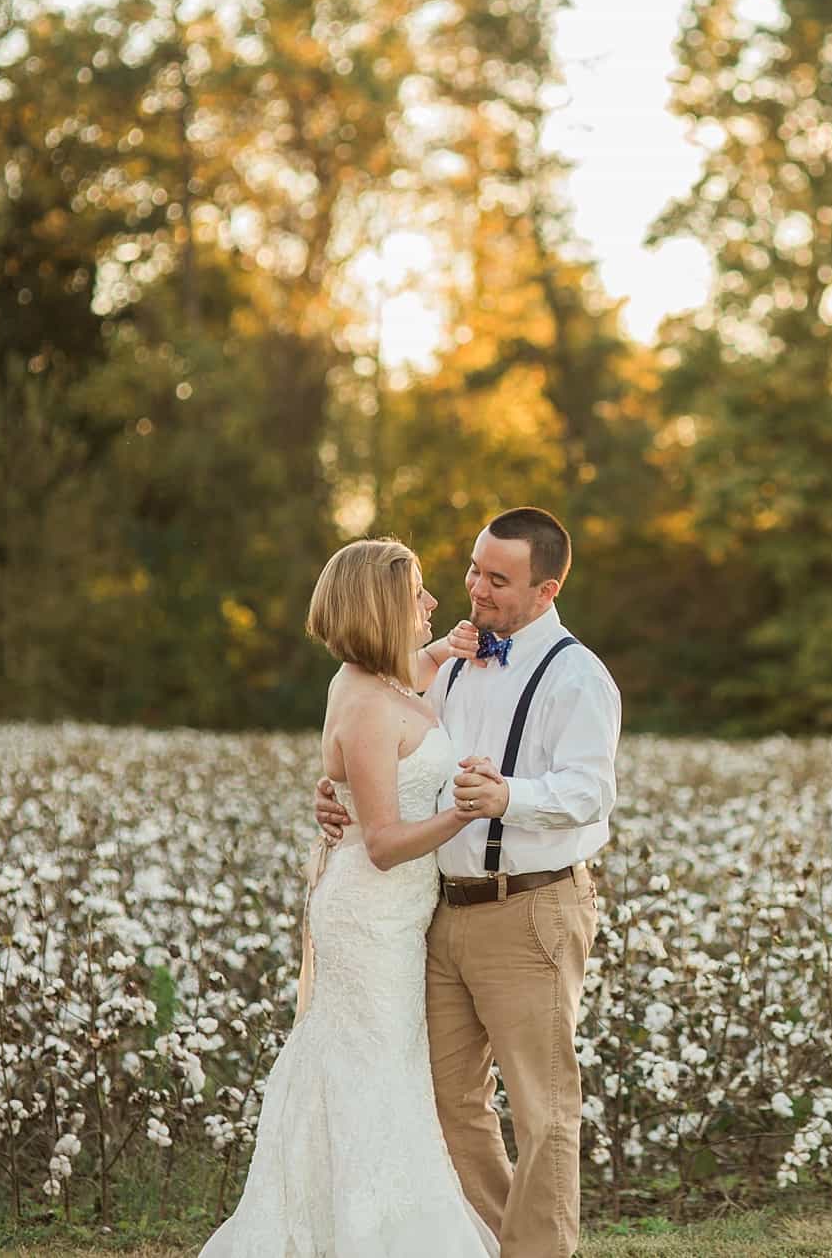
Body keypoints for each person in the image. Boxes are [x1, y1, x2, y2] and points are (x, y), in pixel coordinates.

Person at [314, 507, 622, 1258]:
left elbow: (592, 791)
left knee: (543, 1108)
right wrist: (336, 791)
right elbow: (384, 740)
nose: (476, 590)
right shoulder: (446, 657)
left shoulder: (577, 675)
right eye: (474, 570)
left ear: (546, 591)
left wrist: (509, 796)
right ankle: (493, 1241)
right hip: (436, 914)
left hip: (531, 907)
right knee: (449, 1102)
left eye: (498, 579)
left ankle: (539, 1253)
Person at [199, 538, 499, 1256]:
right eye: (419, 591)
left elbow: (409, 694)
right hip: (372, 914)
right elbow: (387, 842)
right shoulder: (364, 703)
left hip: (388, 914)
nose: (431, 603)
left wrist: (446, 652)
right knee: (374, 1068)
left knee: (376, 1066)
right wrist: (466, 810)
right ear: (381, 605)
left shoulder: (374, 683)